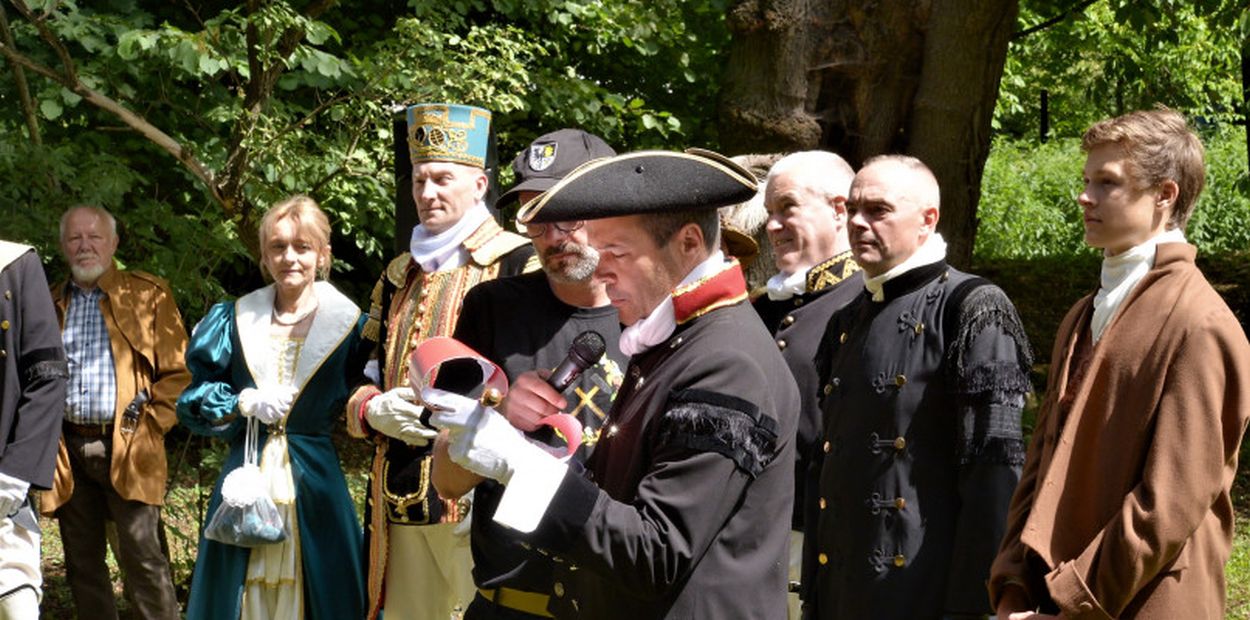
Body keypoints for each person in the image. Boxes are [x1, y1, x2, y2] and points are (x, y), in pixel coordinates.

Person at [425, 149, 802, 619]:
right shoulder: (678, 340)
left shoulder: (725, 359)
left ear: (688, 244)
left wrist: (521, 466)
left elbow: (655, 552)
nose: (600, 271)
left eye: (617, 253)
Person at [989, 109, 1250, 620]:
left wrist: (1075, 602)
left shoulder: (1200, 325)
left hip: (1143, 603)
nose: (1084, 196)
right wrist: (1014, 584)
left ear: (1165, 195)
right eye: (1086, 180)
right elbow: (1041, 467)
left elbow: (1166, 506)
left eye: (1107, 182)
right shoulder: (1083, 313)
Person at [805, 155, 1033, 619]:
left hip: (924, 591)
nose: (858, 223)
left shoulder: (973, 308)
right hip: (842, 590)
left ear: (928, 219)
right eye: (852, 209)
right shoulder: (845, 320)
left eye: (878, 210)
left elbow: (995, 474)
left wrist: (976, 605)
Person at [345, 102, 538, 620]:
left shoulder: (518, 263)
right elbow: (358, 371)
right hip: (398, 496)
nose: (427, 194)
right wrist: (372, 409)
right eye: (419, 181)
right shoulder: (397, 274)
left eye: (442, 179)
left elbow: (537, 379)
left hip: (477, 497)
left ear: (479, 185)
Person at [432, 128, 627, 619]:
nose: (554, 236)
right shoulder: (494, 308)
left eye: (569, 214)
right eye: (536, 218)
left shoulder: (657, 316)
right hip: (511, 604)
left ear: (615, 208)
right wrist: (494, 420)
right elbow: (446, 480)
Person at [176, 195, 369, 619]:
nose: (290, 258)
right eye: (278, 247)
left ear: (323, 255)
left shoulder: (353, 326)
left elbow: (368, 396)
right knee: (237, 593)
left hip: (315, 480)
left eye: (302, 247)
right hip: (244, 475)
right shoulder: (234, 318)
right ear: (264, 256)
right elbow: (191, 401)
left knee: (324, 589)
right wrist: (242, 400)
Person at [45, 205, 188, 620]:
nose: (85, 246)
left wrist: (152, 427)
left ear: (113, 243)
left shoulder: (148, 295)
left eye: (94, 236)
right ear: (63, 245)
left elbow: (179, 373)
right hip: (67, 448)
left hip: (130, 446)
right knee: (82, 566)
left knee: (143, 561)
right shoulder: (50, 301)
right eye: (75, 238)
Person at [751, 150, 861, 617]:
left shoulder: (869, 305)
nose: (772, 226)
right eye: (769, 214)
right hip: (751, 536)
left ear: (839, 210)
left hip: (830, 544)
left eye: (787, 208)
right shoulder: (758, 308)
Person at [0, 241, 68, 619]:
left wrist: (16, 472)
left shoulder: (15, 264)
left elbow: (47, 375)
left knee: (16, 605)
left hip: (3, 480)